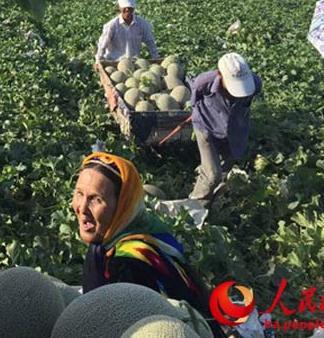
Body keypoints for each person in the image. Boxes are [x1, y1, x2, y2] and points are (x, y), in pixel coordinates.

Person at [72, 151, 222, 334]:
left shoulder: (127, 264)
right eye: (79, 193)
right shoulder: (139, 230)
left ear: (121, 206)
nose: (82, 208)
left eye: (96, 199)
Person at [188, 53, 262, 207]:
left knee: (226, 164)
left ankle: (212, 196)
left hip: (234, 130)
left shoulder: (255, 84)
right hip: (206, 127)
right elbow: (194, 99)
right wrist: (199, 114)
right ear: (220, 76)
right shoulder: (204, 82)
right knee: (212, 176)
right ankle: (194, 207)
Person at [95, 0, 159, 62]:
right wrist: (98, 60)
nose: (127, 9)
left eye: (130, 7)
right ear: (119, 7)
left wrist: (156, 58)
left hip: (134, 62)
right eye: (124, 7)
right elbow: (103, 45)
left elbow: (150, 42)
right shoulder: (111, 25)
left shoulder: (142, 24)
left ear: (134, 8)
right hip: (114, 62)